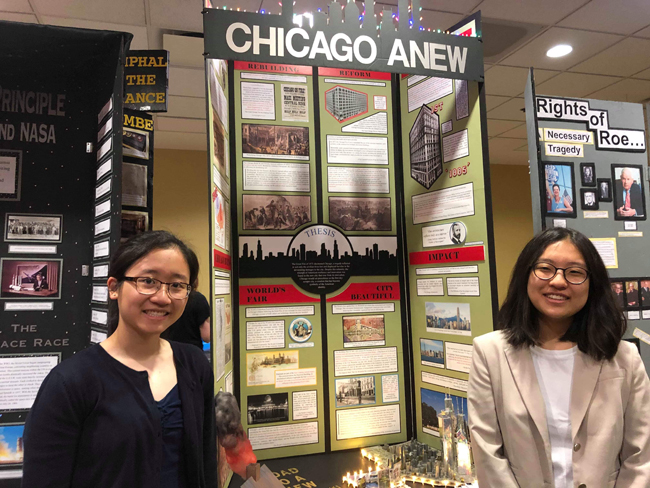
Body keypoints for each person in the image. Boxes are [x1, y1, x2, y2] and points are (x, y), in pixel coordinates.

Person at [22, 231, 216, 488]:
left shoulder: (194, 365)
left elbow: (205, 461)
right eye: (148, 281)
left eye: (177, 285)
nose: (162, 297)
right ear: (114, 287)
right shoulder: (71, 382)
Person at [468, 227, 650, 488]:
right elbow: (488, 454)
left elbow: (641, 457)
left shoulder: (624, 358)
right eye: (545, 268)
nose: (558, 281)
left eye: (575, 272)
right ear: (526, 275)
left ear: (592, 284)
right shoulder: (490, 353)